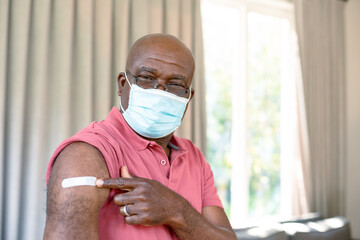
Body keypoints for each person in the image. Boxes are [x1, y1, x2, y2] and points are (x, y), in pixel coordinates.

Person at [43, 33, 236, 240]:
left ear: (188, 97)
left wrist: (177, 210)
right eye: (147, 78)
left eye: (175, 84)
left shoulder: (193, 157)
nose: (160, 92)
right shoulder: (86, 153)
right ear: (122, 85)